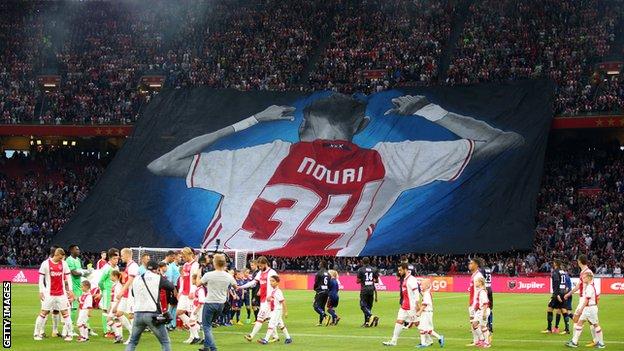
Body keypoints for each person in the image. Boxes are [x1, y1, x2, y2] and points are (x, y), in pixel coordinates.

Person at [148, 94, 523, 256]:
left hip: (232, 261)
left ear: (302, 126)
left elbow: (161, 164)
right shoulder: (391, 159)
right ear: (360, 124)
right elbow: (506, 140)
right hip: (327, 260)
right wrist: (429, 110)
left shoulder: (266, 156)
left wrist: (252, 121)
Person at [125, 260, 175, 351]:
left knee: (132, 342)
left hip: (138, 313)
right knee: (165, 342)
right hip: (152, 313)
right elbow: (171, 286)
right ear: (157, 269)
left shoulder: (137, 278)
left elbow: (133, 293)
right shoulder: (157, 278)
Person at [196, 253, 238, 351]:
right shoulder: (228, 276)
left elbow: (198, 283)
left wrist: (198, 274)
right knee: (209, 325)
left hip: (210, 302)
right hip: (221, 304)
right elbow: (235, 286)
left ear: (214, 263)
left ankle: (213, 348)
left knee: (206, 326)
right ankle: (206, 347)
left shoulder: (208, 275)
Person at [33, 248, 74, 341]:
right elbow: (40, 279)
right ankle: (36, 334)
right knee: (44, 312)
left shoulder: (64, 264)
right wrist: (41, 291)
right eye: (61, 257)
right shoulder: (45, 264)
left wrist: (70, 290)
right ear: (57, 254)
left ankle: (70, 334)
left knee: (65, 313)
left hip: (61, 293)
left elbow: (68, 277)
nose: (62, 259)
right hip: (49, 294)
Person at [239, 256, 278, 341]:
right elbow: (253, 282)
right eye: (259, 266)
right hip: (263, 299)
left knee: (260, 318)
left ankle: (251, 336)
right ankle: (276, 336)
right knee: (269, 319)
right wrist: (241, 287)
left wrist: (272, 295)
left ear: (265, 264)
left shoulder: (272, 272)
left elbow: (277, 284)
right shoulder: (260, 272)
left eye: (260, 266)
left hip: (269, 300)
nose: (259, 268)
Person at [382, 263, 419, 346]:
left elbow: (416, 292)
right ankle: (393, 341)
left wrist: (417, 304)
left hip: (411, 306)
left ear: (405, 269)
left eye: (400, 270)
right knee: (399, 321)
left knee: (417, 323)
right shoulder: (405, 278)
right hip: (404, 305)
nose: (399, 272)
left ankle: (429, 338)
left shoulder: (411, 279)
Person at [565, 272, 605, 349]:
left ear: (589, 278)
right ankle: (574, 342)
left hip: (589, 308)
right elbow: (598, 297)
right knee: (580, 323)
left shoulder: (589, 287)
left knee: (595, 324)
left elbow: (587, 299)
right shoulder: (591, 286)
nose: (582, 279)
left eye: (584, 277)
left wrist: (581, 309)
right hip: (590, 308)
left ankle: (601, 343)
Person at [564, 255, 595, 346]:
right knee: (591, 321)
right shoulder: (584, 271)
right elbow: (579, 285)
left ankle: (574, 341)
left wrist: (569, 294)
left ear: (580, 261)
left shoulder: (587, 272)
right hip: (585, 298)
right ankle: (596, 340)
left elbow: (581, 286)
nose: (577, 262)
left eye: (577, 261)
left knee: (576, 319)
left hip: (585, 298)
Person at [257, 275, 292, 344]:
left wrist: (286, 312)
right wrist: (269, 299)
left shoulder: (278, 291)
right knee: (281, 325)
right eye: (270, 281)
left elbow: (283, 301)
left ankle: (266, 340)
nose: (271, 282)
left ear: (277, 282)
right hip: (275, 310)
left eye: (273, 281)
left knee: (271, 324)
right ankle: (288, 338)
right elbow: (274, 300)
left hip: (277, 310)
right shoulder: (274, 291)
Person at [114, 248, 139, 344]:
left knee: (131, 315)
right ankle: (132, 332)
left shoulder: (133, 266)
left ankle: (133, 338)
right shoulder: (128, 266)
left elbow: (130, 280)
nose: (121, 257)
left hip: (132, 294)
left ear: (127, 255)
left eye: (122, 255)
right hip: (126, 294)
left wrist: (121, 292)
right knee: (119, 314)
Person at [178, 247, 201, 344]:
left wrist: (193, 291)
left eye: (184, 256)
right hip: (184, 292)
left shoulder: (195, 265)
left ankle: (193, 336)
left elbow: (194, 279)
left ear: (189, 254)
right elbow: (182, 279)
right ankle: (196, 329)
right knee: (179, 312)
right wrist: (180, 291)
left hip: (191, 293)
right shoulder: (185, 265)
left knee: (191, 314)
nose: (183, 258)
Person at [66, 244, 91, 333]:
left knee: (84, 307)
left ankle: (87, 328)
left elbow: (79, 271)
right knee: (73, 308)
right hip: (72, 287)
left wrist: (86, 271)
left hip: (79, 286)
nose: (78, 251)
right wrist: (85, 273)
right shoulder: (69, 260)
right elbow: (74, 273)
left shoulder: (78, 259)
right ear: (71, 250)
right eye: (77, 249)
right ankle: (70, 329)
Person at [416, 279, 444, 348]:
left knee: (422, 328)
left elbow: (425, 304)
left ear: (427, 286)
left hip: (426, 313)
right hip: (427, 313)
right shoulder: (426, 293)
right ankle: (439, 337)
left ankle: (423, 343)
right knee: (428, 329)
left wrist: (419, 312)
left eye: (422, 285)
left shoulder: (427, 294)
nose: (421, 286)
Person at [99, 248, 120, 338]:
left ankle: (112, 329)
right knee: (105, 310)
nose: (117, 260)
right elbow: (100, 282)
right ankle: (106, 331)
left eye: (117, 259)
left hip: (114, 293)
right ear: (110, 258)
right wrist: (104, 291)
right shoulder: (106, 268)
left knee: (112, 311)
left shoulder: (117, 267)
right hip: (107, 292)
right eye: (115, 259)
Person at [543, 259, 567, 334]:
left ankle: (549, 329)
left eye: (553, 263)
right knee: (561, 310)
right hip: (563, 292)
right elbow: (564, 282)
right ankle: (561, 328)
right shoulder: (563, 271)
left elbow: (556, 283)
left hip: (557, 293)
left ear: (555, 264)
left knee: (549, 309)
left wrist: (556, 295)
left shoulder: (555, 272)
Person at [467, 258, 485, 346]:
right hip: (471, 302)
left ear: (476, 265)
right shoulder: (474, 275)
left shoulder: (478, 276)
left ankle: (482, 339)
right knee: (472, 322)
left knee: (475, 322)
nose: (469, 265)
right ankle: (476, 341)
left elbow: (481, 289)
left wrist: (476, 304)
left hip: (475, 303)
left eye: (471, 263)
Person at [357, 257, 379, 327]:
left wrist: (363, 280)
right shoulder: (374, 269)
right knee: (368, 307)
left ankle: (372, 316)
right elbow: (377, 280)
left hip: (364, 290)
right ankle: (367, 322)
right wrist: (371, 281)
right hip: (371, 289)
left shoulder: (360, 270)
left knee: (363, 306)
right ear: (369, 262)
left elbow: (357, 281)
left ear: (362, 262)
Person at [162, 250, 180, 331]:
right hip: (163, 288)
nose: (174, 258)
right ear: (169, 256)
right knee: (165, 306)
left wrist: (173, 288)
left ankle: (169, 324)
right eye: (173, 257)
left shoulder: (170, 265)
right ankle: (165, 324)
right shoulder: (162, 264)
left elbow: (172, 278)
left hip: (170, 287)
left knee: (170, 305)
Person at [471, 277, 491, 348]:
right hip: (479, 311)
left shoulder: (482, 292)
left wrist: (484, 313)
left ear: (480, 283)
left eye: (476, 282)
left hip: (483, 310)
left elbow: (485, 303)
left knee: (483, 327)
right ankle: (482, 339)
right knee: (474, 324)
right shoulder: (480, 290)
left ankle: (487, 342)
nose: (475, 283)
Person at [109, 270, 126, 343]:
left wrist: (116, 306)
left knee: (109, 319)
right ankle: (119, 336)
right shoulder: (114, 285)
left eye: (111, 275)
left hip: (116, 304)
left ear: (115, 276)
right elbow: (113, 296)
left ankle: (118, 335)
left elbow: (120, 297)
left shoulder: (118, 285)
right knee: (117, 320)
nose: (110, 277)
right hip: (113, 303)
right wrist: (110, 305)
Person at [313, 260, 331, 326]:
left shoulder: (318, 273)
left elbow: (316, 283)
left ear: (322, 265)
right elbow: (329, 284)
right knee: (322, 307)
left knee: (316, 306)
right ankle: (320, 322)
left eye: (320, 264)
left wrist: (315, 289)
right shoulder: (328, 274)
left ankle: (326, 316)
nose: (319, 265)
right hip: (326, 291)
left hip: (320, 291)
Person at [479, 262, 493, 340]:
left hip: (486, 289)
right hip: (490, 287)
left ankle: (485, 325)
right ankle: (490, 325)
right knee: (490, 308)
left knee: (484, 307)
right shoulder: (488, 269)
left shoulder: (482, 270)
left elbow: (481, 280)